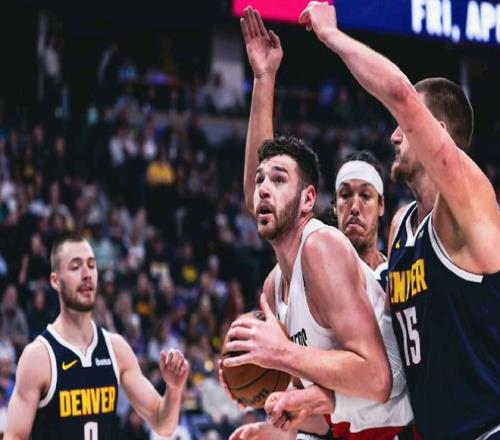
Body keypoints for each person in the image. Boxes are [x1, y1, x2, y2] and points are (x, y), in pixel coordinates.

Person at [298, 2, 500, 439]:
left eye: (404, 128)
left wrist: (332, 36)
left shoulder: (471, 205)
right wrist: (323, 398)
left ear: (436, 132)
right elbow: (395, 360)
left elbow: (401, 94)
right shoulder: (402, 226)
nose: (393, 136)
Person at [224, 7, 413, 440]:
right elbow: (329, 407)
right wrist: (272, 418)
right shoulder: (275, 286)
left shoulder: (320, 249)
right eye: (260, 182)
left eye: (279, 180)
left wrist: (281, 354)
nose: (263, 190)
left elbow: (377, 380)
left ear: (309, 199)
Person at [5, 234, 189, 440]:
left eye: (91, 265)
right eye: (76, 267)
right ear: (55, 281)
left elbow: (163, 424)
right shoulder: (38, 357)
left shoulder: (116, 349)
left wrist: (174, 389)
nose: (87, 274)